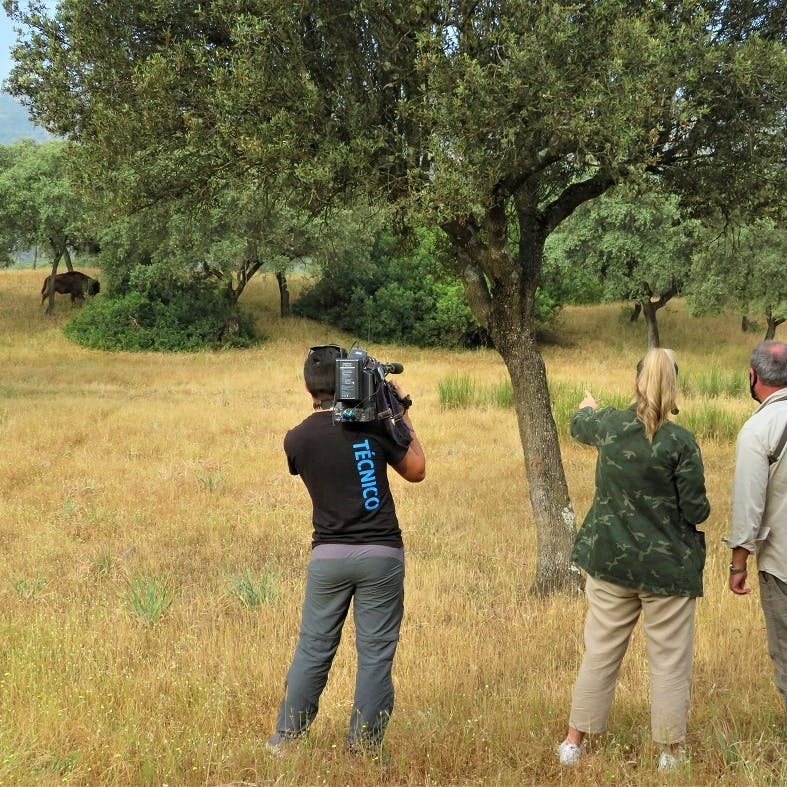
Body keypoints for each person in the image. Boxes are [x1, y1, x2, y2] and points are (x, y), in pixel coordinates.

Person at [268, 344, 426, 758]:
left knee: (314, 646)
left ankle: (286, 738)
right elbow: (417, 470)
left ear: (307, 386)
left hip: (328, 557)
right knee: (375, 654)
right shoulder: (373, 427)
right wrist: (397, 408)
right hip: (381, 554)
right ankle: (365, 747)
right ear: (350, 382)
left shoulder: (296, 439)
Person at [558, 348, 710, 771]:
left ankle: (573, 743)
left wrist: (588, 406)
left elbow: (577, 423)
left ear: (635, 384)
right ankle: (668, 753)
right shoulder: (681, 442)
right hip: (668, 571)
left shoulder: (608, 425)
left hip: (610, 563)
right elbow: (697, 511)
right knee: (669, 662)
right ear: (675, 388)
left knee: (600, 653)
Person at [725, 340, 787, 712]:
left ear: (753, 376)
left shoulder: (757, 429)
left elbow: (748, 506)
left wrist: (738, 564)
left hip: (782, 563)